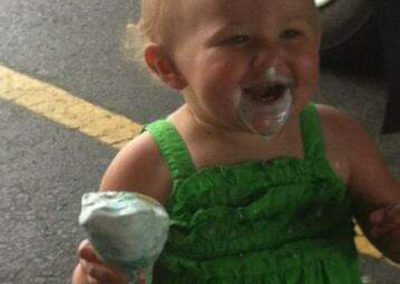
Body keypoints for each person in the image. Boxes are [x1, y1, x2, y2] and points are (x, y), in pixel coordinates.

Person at [72, 0, 400, 283]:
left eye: (291, 34)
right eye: (238, 39)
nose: (271, 56)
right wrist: (98, 276)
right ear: (168, 67)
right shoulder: (149, 165)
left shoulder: (339, 138)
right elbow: (108, 266)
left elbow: (388, 226)